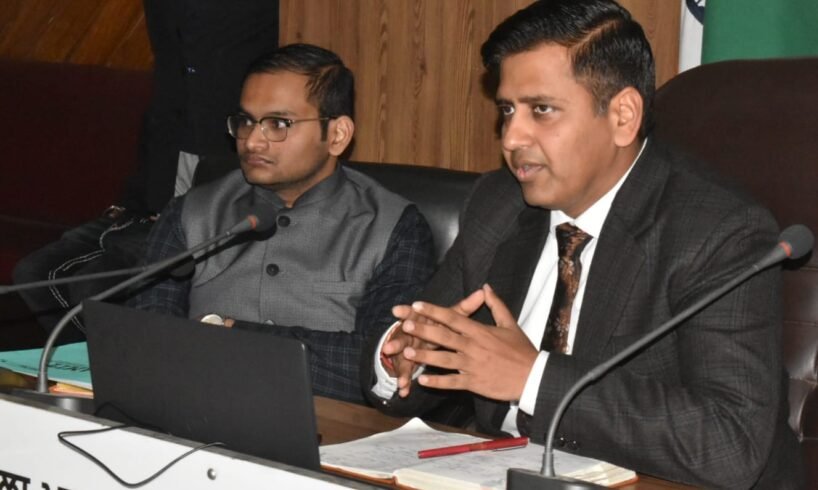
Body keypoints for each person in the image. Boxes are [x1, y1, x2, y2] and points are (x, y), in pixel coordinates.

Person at [363, 1, 804, 487]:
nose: (511, 137)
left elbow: (730, 442)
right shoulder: (498, 204)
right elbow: (434, 352)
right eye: (507, 110)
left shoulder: (718, 231)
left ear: (623, 116)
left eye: (541, 110)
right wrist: (402, 357)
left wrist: (532, 378)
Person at [132, 43, 436, 404]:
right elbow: (146, 335)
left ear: (337, 135)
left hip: (327, 425)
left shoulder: (394, 227)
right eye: (245, 121)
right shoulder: (192, 211)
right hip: (193, 409)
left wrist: (230, 335)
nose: (252, 141)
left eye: (278, 124)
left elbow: (381, 365)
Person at [12, 1, 279, 341]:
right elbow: (162, 114)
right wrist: (135, 202)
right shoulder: (168, 40)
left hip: (216, 211)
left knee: (94, 288)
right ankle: (98, 364)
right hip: (152, 202)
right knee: (35, 273)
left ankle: (117, 364)